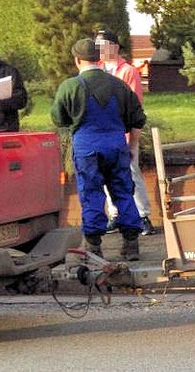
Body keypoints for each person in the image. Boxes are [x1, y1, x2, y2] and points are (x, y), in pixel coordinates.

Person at [51, 39, 147, 261]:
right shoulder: (118, 85)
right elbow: (138, 120)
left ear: (77, 60)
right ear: (100, 59)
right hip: (116, 145)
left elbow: (58, 118)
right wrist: (130, 147)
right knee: (123, 192)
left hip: (87, 148)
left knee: (91, 194)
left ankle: (94, 247)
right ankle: (131, 244)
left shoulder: (70, 87)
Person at [96, 30, 155, 236]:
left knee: (130, 172)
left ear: (115, 46)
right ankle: (114, 215)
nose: (100, 50)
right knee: (106, 175)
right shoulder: (97, 71)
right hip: (103, 133)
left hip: (124, 133)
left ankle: (142, 215)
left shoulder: (128, 71)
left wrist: (132, 134)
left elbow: (135, 105)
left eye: (103, 45)